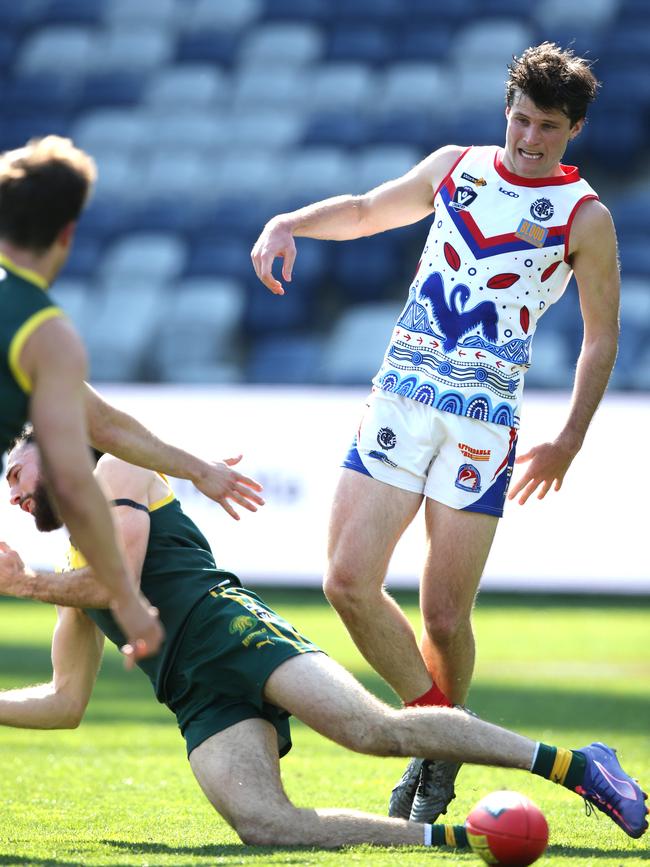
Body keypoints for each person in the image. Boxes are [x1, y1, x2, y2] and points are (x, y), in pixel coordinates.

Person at [250, 43, 620, 821]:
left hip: (484, 425)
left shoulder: (585, 216)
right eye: (519, 118)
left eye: (547, 126)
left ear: (574, 129)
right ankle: (444, 734)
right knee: (347, 581)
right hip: (400, 400)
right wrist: (290, 221)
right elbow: (363, 209)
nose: (527, 137)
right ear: (505, 110)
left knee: (445, 617)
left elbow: (600, 337)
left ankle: (437, 739)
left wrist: (571, 438)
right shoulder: (456, 166)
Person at [0, 431, 646, 850]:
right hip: (196, 696)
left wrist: (24, 583)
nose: (11, 493)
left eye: (14, 469)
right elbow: (65, 700)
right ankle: (459, 839)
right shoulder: (66, 575)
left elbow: (124, 578)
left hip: (231, 631)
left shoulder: (116, 467)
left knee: (371, 729)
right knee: (264, 824)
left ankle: (580, 766)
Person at [0, 135, 265, 664]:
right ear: (68, 234)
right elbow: (92, 451)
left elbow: (104, 428)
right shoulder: (44, 333)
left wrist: (198, 470)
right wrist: (127, 601)